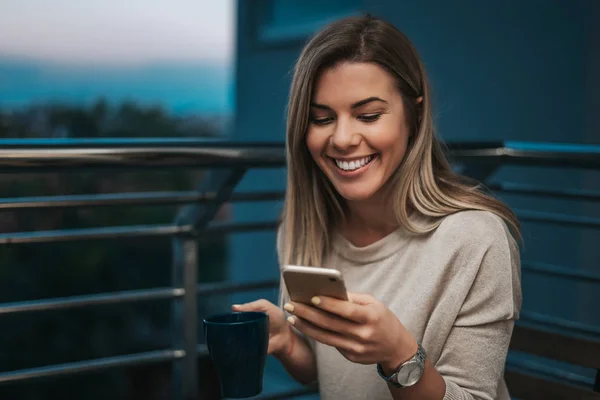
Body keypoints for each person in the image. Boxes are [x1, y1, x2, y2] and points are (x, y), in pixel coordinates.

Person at [232, 13, 522, 400]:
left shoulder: (476, 239)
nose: (343, 138)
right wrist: (288, 342)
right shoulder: (307, 226)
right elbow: (335, 376)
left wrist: (398, 355)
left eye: (368, 115)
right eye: (322, 118)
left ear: (414, 114)